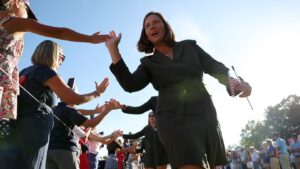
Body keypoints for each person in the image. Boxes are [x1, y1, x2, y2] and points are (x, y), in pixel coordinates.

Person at [105, 11, 252, 169]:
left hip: (204, 113)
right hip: (172, 118)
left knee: (209, 165)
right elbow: (130, 84)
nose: (152, 26)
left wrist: (237, 84)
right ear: (146, 35)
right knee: (190, 164)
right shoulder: (148, 62)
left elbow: (216, 67)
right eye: (147, 26)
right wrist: (114, 49)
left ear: (165, 27)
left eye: (156, 22)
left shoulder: (190, 46)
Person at [0, 0, 109, 120]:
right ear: (16, 3)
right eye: (27, 12)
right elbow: (61, 33)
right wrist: (89, 38)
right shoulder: (15, 22)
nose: (27, 17)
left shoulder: (27, 70)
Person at [11, 40, 109, 169]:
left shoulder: (25, 71)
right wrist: (97, 93)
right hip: (35, 132)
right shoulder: (46, 72)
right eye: (61, 56)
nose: (61, 61)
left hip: (19, 129)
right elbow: (73, 99)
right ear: (53, 54)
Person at [47, 81, 122, 169]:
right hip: (66, 150)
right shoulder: (69, 111)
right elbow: (91, 123)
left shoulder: (54, 109)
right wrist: (107, 110)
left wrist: (94, 111)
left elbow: (78, 111)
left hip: (49, 151)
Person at [119, 96, 169, 169]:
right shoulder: (146, 129)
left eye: (153, 115)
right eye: (150, 116)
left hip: (161, 154)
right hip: (149, 157)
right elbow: (135, 135)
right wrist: (122, 135)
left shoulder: (162, 127)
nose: (152, 117)